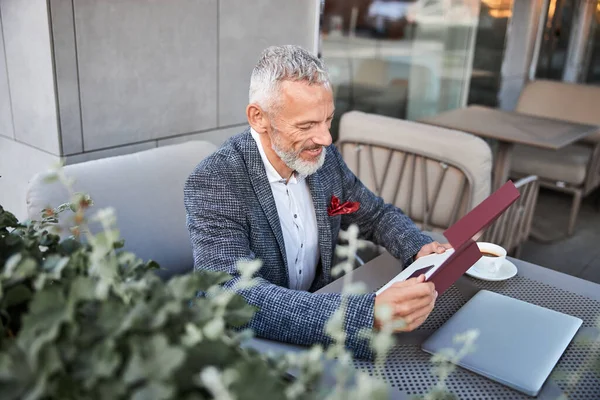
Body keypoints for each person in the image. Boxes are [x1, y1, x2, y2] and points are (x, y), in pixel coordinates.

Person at [184, 45, 450, 359]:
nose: (326, 138)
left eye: (327, 120)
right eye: (307, 125)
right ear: (259, 118)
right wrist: (367, 314)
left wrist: (416, 246)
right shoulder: (218, 179)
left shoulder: (324, 160)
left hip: (318, 321)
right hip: (248, 347)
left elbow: (373, 214)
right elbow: (231, 294)